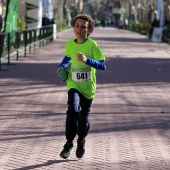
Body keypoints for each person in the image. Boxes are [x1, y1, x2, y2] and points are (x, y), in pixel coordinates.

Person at [57, 14, 106, 159]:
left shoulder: (92, 45)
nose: (79, 29)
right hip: (73, 84)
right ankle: (69, 143)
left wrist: (87, 60)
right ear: (73, 28)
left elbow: (103, 65)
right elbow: (67, 58)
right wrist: (61, 67)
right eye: (77, 26)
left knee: (83, 116)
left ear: (89, 30)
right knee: (73, 109)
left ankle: (81, 140)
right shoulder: (70, 45)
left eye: (83, 27)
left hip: (88, 88)